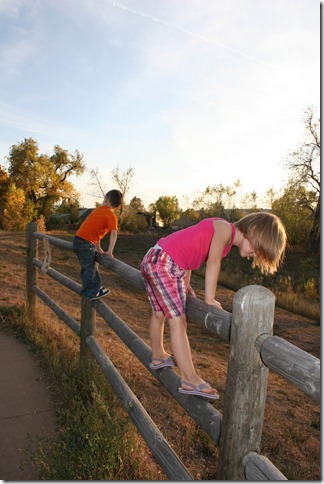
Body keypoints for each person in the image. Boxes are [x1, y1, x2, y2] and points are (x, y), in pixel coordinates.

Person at [140, 212, 287, 399]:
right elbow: (213, 261)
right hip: (165, 263)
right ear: (254, 230)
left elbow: (189, 254)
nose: (255, 255)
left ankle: (158, 354)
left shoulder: (220, 232)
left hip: (155, 257)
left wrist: (185, 281)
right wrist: (209, 298)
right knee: (178, 322)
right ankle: (189, 378)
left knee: (158, 313)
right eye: (259, 249)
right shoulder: (225, 229)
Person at [73, 189, 123, 300]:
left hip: (79, 239)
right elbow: (113, 234)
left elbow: (96, 230)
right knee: (89, 268)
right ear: (118, 207)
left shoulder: (98, 210)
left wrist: (98, 247)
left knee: (87, 267)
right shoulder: (111, 216)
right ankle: (92, 292)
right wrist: (109, 251)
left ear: (105, 199)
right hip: (86, 242)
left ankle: (89, 290)